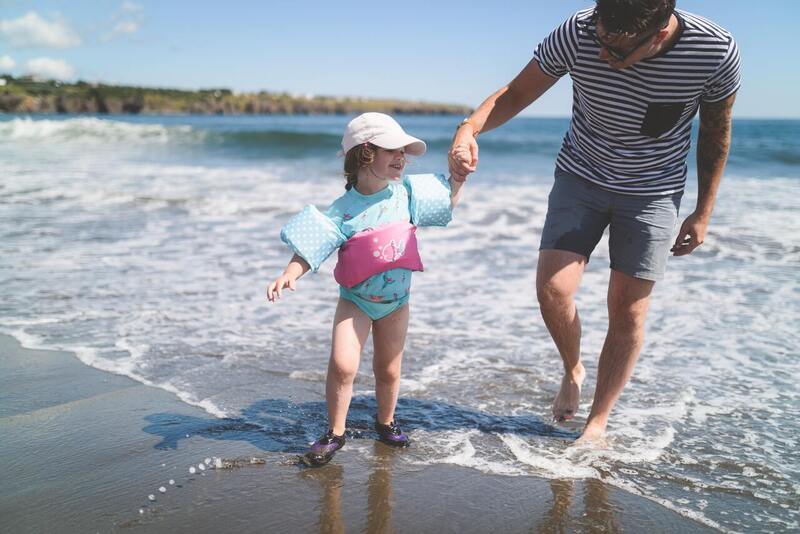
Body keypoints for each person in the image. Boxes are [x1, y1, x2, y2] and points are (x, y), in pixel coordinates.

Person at [449, 0, 740, 444]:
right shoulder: (580, 30)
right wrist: (469, 129)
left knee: (628, 310)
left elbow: (716, 131)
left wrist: (703, 211)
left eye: (618, 51)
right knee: (553, 289)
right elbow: (517, 92)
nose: (604, 54)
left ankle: (597, 423)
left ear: (658, 35)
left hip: (653, 191)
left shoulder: (715, 51)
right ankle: (572, 368)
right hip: (580, 175)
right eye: (601, 41)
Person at [268, 112, 468, 465]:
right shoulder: (344, 209)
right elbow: (314, 244)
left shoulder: (406, 194)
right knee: (343, 365)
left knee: (388, 368)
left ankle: (386, 421)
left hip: (396, 302)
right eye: (392, 150)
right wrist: (290, 272)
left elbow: (446, 202)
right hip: (356, 301)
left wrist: (459, 179)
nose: (401, 157)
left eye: (404, 151)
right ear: (364, 154)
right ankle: (336, 432)